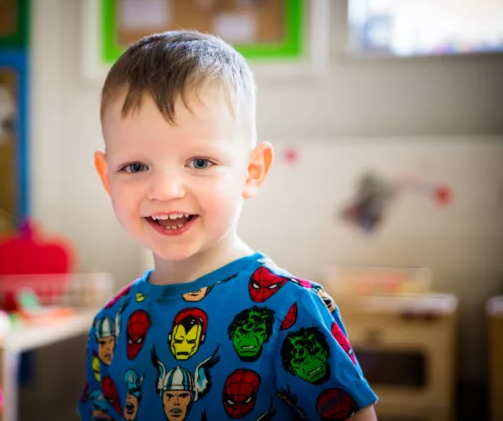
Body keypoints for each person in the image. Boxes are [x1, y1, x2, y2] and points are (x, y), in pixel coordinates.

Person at [78, 31, 378, 421]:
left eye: (200, 162)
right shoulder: (110, 326)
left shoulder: (290, 310)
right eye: (135, 167)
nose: (166, 191)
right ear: (107, 177)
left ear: (252, 172)